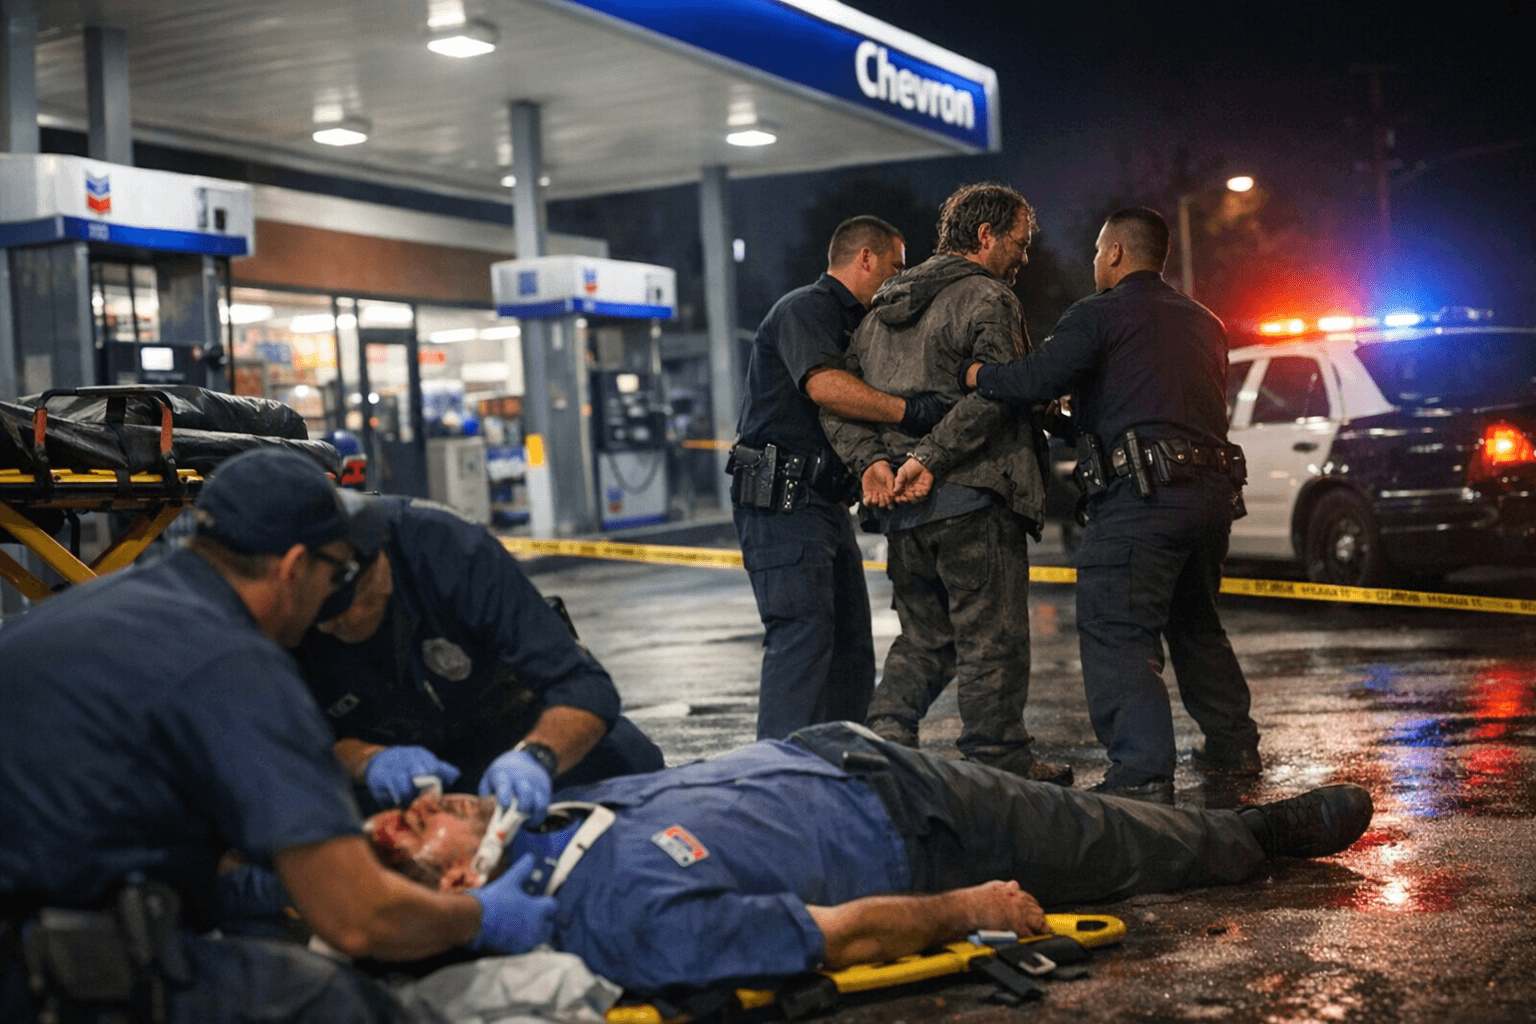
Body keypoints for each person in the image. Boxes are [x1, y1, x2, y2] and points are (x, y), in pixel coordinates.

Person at [0, 449, 557, 1024]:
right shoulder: (234, 665)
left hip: (42, 919)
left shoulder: (105, 605)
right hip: (42, 978)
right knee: (344, 1005)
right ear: (294, 566)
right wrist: (478, 916)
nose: (334, 596)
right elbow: (359, 920)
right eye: (337, 572)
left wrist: (270, 886)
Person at [365, 721, 1374, 995]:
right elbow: (824, 936)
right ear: (458, 883)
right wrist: (967, 906)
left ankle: (1173, 829)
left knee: (1077, 819)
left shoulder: (539, 814)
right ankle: (1256, 837)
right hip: (926, 832)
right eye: (415, 833)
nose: (419, 806)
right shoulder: (616, 916)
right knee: (1107, 841)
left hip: (846, 756)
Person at [964, 207, 1260, 804]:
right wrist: (1072, 422)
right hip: (1209, 501)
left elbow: (1031, 379)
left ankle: (1142, 775)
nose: (1095, 262)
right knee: (1196, 625)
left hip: (1141, 503)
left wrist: (976, 375)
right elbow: (1145, 409)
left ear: (1118, 253)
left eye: (1099, 252)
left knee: (1118, 632)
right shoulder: (1205, 323)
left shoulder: (1097, 314)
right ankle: (1233, 745)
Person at [822, 183, 1065, 784]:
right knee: (992, 641)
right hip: (973, 501)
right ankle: (999, 766)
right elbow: (996, 394)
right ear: (985, 236)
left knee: (926, 639)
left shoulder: (880, 310)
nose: (1025, 257)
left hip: (904, 512)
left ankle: (884, 739)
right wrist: (930, 456)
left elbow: (836, 403)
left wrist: (872, 464)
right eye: (1019, 242)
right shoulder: (988, 297)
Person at [294, 494, 665, 825]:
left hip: (509, 728)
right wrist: (367, 760)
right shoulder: (278, 607)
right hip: (401, 770)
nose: (336, 628)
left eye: (351, 611)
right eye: (321, 620)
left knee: (632, 762)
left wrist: (537, 756)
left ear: (380, 568)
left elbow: (583, 686)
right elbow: (285, 739)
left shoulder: (448, 547)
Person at [729, 215, 953, 741]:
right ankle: (777, 780)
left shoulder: (861, 324)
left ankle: (840, 770)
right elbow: (825, 386)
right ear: (865, 259)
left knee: (851, 646)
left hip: (825, 505)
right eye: (895, 267)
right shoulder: (805, 309)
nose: (900, 278)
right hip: (781, 501)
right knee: (802, 637)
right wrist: (907, 411)